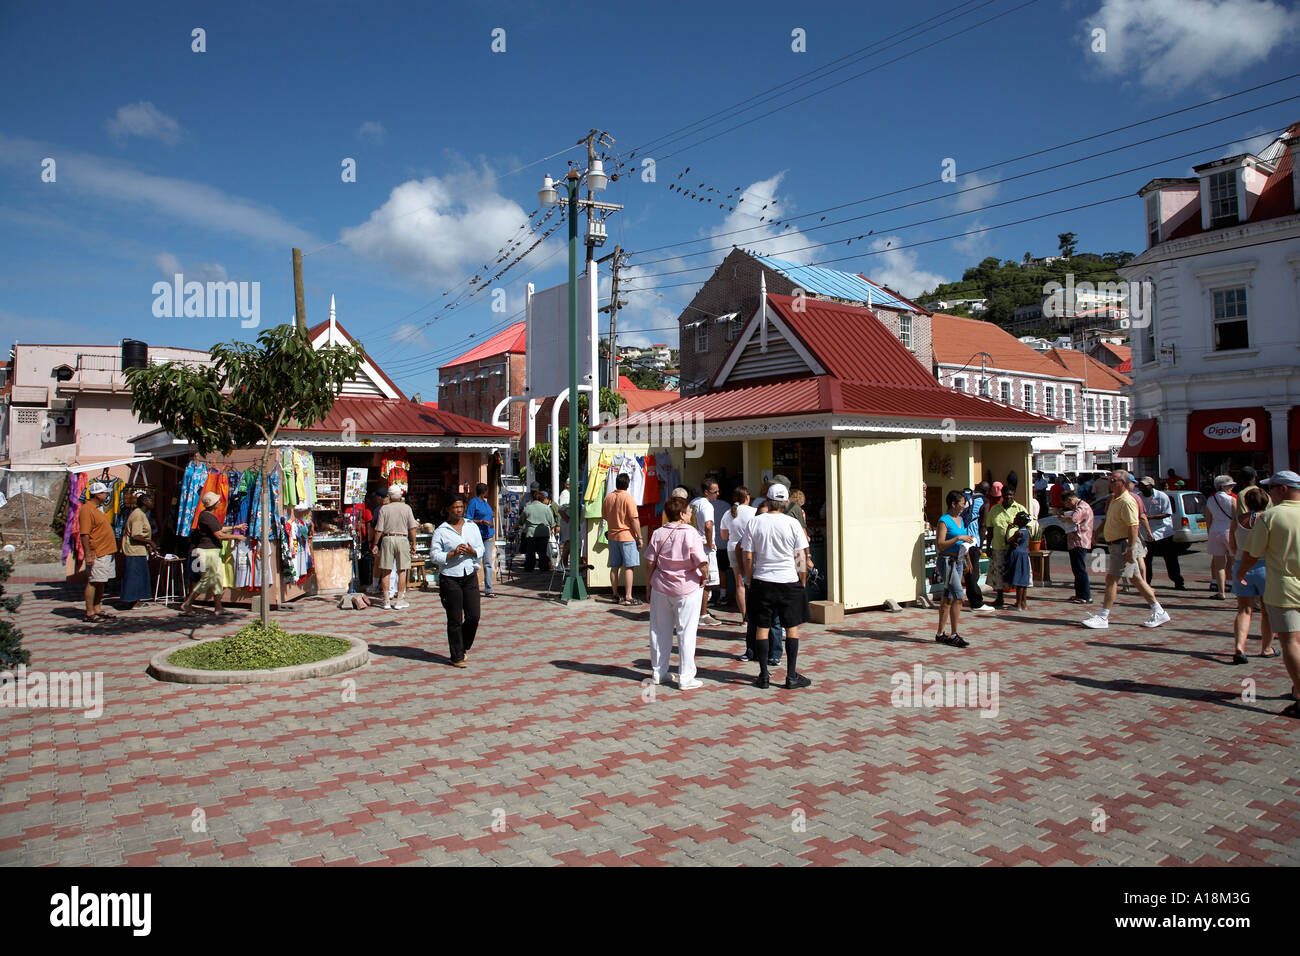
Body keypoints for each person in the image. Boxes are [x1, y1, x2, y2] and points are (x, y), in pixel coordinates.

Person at [1237, 471, 1300, 719]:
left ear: (1282, 489)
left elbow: (1251, 553)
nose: (1270, 493)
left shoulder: (1272, 517)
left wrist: (1240, 573)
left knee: (1290, 643)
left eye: (1272, 488)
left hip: (1284, 588)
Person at [742, 483, 811, 690]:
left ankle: (763, 675)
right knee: (791, 628)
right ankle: (791, 676)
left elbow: (747, 555)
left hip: (762, 580)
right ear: (785, 502)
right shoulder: (792, 524)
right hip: (789, 580)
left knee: (762, 627)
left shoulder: (755, 522)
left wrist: (749, 578)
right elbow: (800, 555)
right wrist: (803, 580)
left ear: (767, 500)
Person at [1082, 471, 1171, 629]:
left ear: (1122, 483)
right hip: (1117, 545)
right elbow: (1110, 519)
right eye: (1110, 480)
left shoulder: (1127, 501)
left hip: (1122, 545)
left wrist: (1130, 548)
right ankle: (1159, 611)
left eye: (1113, 480)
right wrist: (1098, 533)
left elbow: (1133, 525)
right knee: (1136, 579)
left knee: (1112, 580)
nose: (1110, 482)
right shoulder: (1115, 499)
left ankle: (1103, 616)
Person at [643, 495, 709, 689]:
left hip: (661, 586)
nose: (690, 514)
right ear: (681, 514)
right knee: (686, 632)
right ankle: (686, 677)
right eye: (688, 511)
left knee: (658, 630)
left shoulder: (658, 533)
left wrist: (648, 585)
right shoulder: (691, 533)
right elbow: (701, 561)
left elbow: (649, 562)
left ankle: (659, 672)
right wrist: (704, 576)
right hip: (686, 588)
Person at [430, 495, 484, 668]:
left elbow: (481, 547)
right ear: (448, 509)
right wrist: (452, 553)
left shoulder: (471, 526)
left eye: (461, 507)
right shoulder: (441, 530)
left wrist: (472, 551)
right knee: (454, 618)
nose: (459, 510)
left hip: (469, 574)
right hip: (450, 577)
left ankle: (463, 645)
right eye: (455, 507)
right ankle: (457, 656)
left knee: (473, 616)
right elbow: (434, 555)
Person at [180, 491, 246, 616]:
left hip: (212, 551)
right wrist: (236, 537)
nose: (219, 503)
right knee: (208, 578)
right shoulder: (207, 516)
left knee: (217, 579)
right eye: (217, 501)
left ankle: (218, 607)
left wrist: (236, 527)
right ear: (212, 504)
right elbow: (219, 534)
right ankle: (187, 603)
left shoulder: (208, 516)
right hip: (208, 551)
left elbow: (219, 529)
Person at [1229, 486, 1274, 665]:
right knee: (1267, 611)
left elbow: (1232, 545)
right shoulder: (1269, 519)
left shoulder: (1238, 520)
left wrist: (1237, 558)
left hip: (1241, 566)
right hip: (1265, 566)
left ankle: (1239, 647)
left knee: (1243, 610)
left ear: (1246, 503)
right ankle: (1267, 648)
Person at [934, 490, 974, 647]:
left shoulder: (960, 519)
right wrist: (958, 538)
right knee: (959, 596)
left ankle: (940, 633)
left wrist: (967, 560)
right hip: (947, 562)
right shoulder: (944, 521)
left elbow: (964, 544)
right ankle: (954, 634)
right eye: (962, 504)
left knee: (948, 597)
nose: (963, 507)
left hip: (958, 561)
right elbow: (940, 545)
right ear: (953, 504)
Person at [719, 486, 756, 653]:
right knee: (753, 581)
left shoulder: (729, 513)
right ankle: (754, 614)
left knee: (739, 582)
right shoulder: (754, 511)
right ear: (747, 497)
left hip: (732, 547)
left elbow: (724, 536)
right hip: (750, 548)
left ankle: (744, 618)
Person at [371, 487, 418, 609]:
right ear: (400, 495)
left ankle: (386, 600)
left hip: (387, 539)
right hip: (402, 538)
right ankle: (400, 600)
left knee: (386, 570)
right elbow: (412, 527)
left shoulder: (384, 509)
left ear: (390, 496)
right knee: (401, 570)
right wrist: (414, 543)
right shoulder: (407, 508)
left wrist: (375, 544)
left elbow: (379, 529)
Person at [79, 481, 118, 623]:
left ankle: (97, 608)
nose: (107, 494)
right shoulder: (86, 509)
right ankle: (89, 613)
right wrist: (88, 554)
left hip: (106, 551)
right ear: (97, 494)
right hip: (97, 552)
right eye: (104, 492)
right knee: (93, 581)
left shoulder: (98, 508)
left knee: (101, 581)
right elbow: (84, 534)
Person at [1138, 476, 1184, 590]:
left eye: (1145, 485)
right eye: (1141, 485)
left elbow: (1167, 513)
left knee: (1171, 560)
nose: (1142, 487)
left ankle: (1178, 582)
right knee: (1147, 560)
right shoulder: (1138, 497)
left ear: (1151, 486)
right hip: (1146, 533)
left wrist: (1150, 517)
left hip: (1163, 533)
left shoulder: (1162, 496)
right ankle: (1147, 583)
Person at [984, 485, 1026, 610]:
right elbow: (990, 529)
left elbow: (1027, 528)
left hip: (1015, 549)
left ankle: (1020, 601)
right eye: (1006, 494)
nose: (1008, 497)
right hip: (998, 546)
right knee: (998, 573)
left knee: (1017, 574)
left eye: (1010, 494)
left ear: (1014, 494)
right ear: (1002, 495)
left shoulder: (1020, 508)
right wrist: (988, 546)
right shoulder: (995, 509)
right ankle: (999, 598)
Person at [601, 473, 641, 604]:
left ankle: (615, 594)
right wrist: (639, 537)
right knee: (629, 567)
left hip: (612, 536)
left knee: (614, 566)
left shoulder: (608, 497)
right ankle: (628, 596)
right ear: (628, 484)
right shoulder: (628, 498)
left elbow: (605, 516)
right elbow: (634, 519)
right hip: (627, 536)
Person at [690, 479, 723, 626]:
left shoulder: (693, 503)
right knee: (707, 581)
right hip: (704, 547)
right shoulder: (707, 505)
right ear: (706, 492)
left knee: (696, 580)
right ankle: (702, 614)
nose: (717, 494)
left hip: (693, 544)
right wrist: (710, 543)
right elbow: (708, 525)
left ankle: (696, 611)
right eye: (714, 491)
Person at [120, 490, 158, 608]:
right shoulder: (137, 515)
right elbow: (135, 535)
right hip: (134, 551)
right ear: (144, 502)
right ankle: (132, 601)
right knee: (134, 576)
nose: (153, 502)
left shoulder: (142, 514)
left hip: (139, 550)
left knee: (139, 575)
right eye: (150, 500)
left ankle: (136, 599)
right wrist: (150, 542)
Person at [1205, 474, 1237, 599]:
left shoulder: (1210, 500)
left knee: (1219, 564)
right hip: (1229, 530)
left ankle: (1221, 592)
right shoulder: (1232, 500)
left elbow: (1208, 519)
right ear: (1223, 486)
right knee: (1234, 561)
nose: (1232, 488)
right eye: (1230, 486)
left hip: (1215, 530)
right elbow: (1235, 519)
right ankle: (1234, 587)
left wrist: (1209, 533)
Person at [961, 484, 991, 612]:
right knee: (973, 571)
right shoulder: (984, 502)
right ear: (987, 491)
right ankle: (976, 602)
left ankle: (955, 598)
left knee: (962, 570)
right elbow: (983, 525)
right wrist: (981, 545)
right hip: (973, 541)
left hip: (960, 537)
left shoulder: (965, 498)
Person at [1062, 489, 1094, 604]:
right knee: (1076, 569)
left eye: (1066, 503)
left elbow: (1074, 519)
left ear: (1070, 500)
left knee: (1080, 569)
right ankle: (1079, 593)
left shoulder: (1082, 507)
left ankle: (1085, 595)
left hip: (1079, 541)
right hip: (1075, 542)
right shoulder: (1079, 506)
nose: (1067, 506)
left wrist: (1063, 518)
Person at [466, 483, 497, 598]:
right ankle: (472, 587)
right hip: (477, 537)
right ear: (484, 491)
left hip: (488, 536)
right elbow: (468, 519)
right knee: (476, 562)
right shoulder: (473, 503)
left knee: (488, 562)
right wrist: (482, 522)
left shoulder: (485, 502)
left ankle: (489, 589)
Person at [520, 490, 557, 573]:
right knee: (542, 552)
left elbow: (521, 520)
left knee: (530, 551)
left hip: (531, 533)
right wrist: (552, 527)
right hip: (543, 532)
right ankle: (543, 567)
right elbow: (552, 522)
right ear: (542, 499)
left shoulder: (528, 508)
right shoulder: (546, 508)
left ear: (532, 498)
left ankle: (529, 567)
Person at [1006, 511, 1033, 610]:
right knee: (1024, 581)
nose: (1014, 519)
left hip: (1018, 556)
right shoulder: (1026, 531)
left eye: (1016, 518)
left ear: (1021, 521)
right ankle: (1023, 603)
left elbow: (1007, 541)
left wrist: (1008, 529)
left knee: (1018, 582)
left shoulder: (1019, 532)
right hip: (1024, 556)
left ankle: (1018, 605)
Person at [557, 479, 572, 570]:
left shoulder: (568, 493)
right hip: (567, 523)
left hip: (568, 522)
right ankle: (562, 563)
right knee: (568, 543)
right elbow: (561, 509)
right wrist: (567, 520)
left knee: (569, 543)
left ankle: (563, 563)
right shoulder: (565, 493)